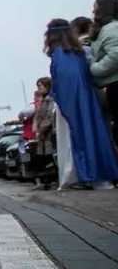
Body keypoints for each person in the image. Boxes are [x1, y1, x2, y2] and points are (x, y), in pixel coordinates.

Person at [46, 19, 118, 190]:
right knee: (96, 134)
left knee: (73, 141)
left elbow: (64, 84)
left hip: (70, 106)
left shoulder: (60, 56)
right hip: (88, 101)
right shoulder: (80, 53)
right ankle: (101, 174)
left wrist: (59, 100)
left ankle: (84, 176)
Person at [89, 0, 118, 148]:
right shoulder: (108, 29)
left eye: (95, 7)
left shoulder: (111, 29)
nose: (93, 11)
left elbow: (116, 55)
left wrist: (94, 68)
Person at [32, 77, 57, 188]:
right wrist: (36, 128)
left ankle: (51, 180)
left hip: (48, 134)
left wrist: (41, 129)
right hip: (42, 135)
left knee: (49, 156)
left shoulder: (50, 99)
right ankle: (45, 180)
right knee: (43, 158)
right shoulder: (43, 100)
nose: (39, 88)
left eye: (40, 85)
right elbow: (37, 117)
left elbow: (49, 116)